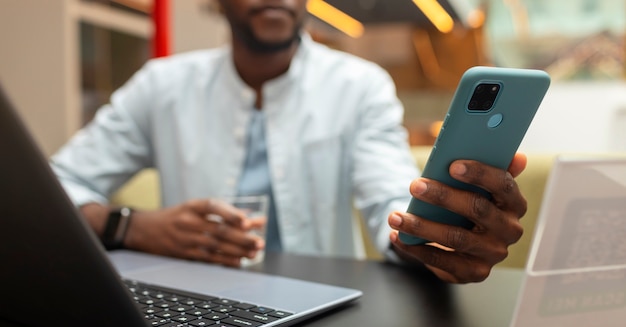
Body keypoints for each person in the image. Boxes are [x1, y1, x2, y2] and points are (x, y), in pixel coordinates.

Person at [50, 0, 528, 284]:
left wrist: (438, 239)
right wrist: (128, 226)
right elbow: (54, 184)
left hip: (326, 317)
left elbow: (389, 206)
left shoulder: (359, 85)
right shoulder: (161, 87)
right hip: (196, 304)